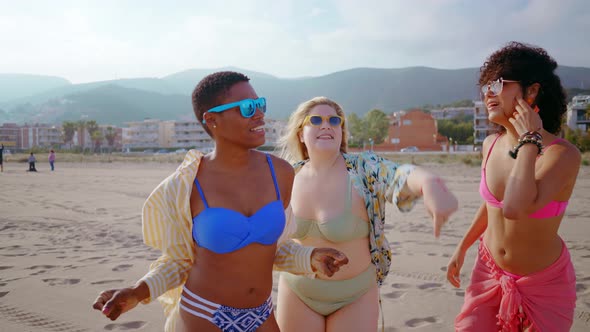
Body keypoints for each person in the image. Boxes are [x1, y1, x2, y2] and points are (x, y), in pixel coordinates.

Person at [92, 71, 348, 332]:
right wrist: (137, 292)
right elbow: (181, 262)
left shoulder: (281, 173)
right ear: (212, 119)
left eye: (260, 105)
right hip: (202, 315)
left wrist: (309, 258)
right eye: (248, 108)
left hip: (261, 315)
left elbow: (271, 248)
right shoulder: (185, 186)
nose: (259, 114)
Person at [276, 96, 459, 332]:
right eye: (316, 120)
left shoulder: (363, 169)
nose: (326, 125)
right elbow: (269, 244)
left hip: (355, 296)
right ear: (301, 133)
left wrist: (429, 183)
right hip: (297, 291)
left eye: (334, 120)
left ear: (341, 132)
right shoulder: (285, 177)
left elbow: (398, 174)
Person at [447, 42, 581, 331]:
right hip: (489, 271)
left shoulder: (562, 155)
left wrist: (530, 140)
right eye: (485, 87)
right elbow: (492, 205)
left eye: (499, 83)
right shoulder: (490, 144)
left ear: (531, 91)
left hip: (544, 284)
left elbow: (514, 207)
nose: (489, 93)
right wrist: (462, 246)